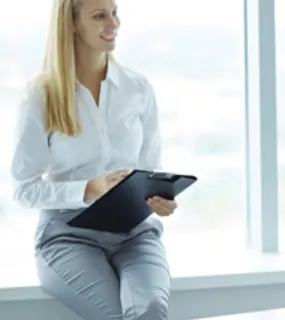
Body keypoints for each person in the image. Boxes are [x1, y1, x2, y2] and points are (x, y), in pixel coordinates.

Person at [10, 0, 174, 319]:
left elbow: (151, 170)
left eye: (114, 13)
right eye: (100, 16)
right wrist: (89, 188)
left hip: (134, 232)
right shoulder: (41, 95)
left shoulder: (137, 88)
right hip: (67, 235)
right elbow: (23, 189)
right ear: (71, 23)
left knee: (151, 310)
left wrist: (158, 197)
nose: (113, 23)